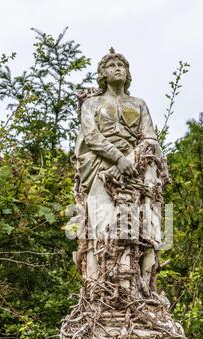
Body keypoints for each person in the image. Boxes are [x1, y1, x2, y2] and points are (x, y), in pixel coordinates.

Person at [74, 48, 169, 294]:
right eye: (111, 65)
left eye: (121, 65)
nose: (117, 68)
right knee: (104, 227)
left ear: (127, 74)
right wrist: (117, 159)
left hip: (135, 171)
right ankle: (103, 289)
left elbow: (150, 139)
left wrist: (130, 160)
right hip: (100, 168)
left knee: (139, 229)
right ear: (102, 74)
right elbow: (91, 136)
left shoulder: (138, 104)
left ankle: (138, 289)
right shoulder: (92, 104)